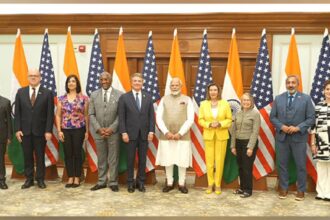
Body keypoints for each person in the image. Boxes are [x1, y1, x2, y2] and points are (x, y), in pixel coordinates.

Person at [270, 75, 315, 201]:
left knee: (300, 165)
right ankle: (283, 188)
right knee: (282, 164)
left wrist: (298, 127)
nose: (291, 85)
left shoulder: (306, 99)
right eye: (288, 82)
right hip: (282, 137)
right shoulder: (278, 99)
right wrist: (282, 126)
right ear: (285, 84)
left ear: (298, 84)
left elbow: (311, 118)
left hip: (299, 137)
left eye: (293, 82)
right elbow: (272, 117)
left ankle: (301, 190)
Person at [15, 68, 54, 189]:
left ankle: (40, 179)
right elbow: (18, 113)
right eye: (31, 75)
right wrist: (17, 129)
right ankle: (29, 179)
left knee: (40, 156)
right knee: (27, 156)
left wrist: (48, 131)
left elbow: (49, 114)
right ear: (27, 77)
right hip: (25, 131)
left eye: (35, 75)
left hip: (41, 132)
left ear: (40, 77)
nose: (33, 77)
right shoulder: (20, 92)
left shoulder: (47, 93)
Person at [156, 77, 194, 194]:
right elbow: (158, 117)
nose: (174, 87)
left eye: (177, 85)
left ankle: (182, 183)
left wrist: (180, 133)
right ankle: (169, 183)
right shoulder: (164, 99)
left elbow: (190, 119)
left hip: (182, 137)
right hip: (166, 136)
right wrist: (166, 132)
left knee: (182, 160)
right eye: (172, 85)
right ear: (169, 87)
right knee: (168, 160)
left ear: (180, 86)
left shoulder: (187, 99)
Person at [118, 72, 155, 193]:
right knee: (130, 159)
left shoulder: (148, 97)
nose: (137, 83)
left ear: (142, 83)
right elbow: (121, 117)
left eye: (139, 81)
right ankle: (130, 182)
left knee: (143, 160)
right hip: (129, 134)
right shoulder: (124, 97)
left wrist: (151, 131)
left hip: (144, 134)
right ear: (131, 82)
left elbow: (151, 117)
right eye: (135, 81)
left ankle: (141, 182)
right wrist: (123, 132)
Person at [89, 72, 122, 192]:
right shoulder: (94, 95)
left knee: (113, 158)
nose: (104, 81)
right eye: (102, 79)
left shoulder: (119, 95)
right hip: (98, 132)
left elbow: (120, 115)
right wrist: (98, 128)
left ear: (111, 80)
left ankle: (113, 182)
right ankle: (101, 181)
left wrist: (111, 128)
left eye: (106, 79)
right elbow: (91, 114)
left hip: (113, 133)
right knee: (101, 158)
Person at [198, 83, 232, 195]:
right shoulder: (203, 104)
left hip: (221, 135)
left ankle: (217, 184)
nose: (213, 92)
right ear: (208, 92)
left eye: (215, 90)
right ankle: (210, 183)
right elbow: (200, 120)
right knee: (209, 162)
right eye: (211, 90)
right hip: (208, 135)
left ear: (218, 91)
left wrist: (220, 124)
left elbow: (229, 119)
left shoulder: (225, 103)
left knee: (219, 161)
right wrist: (208, 124)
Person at [56, 74, 89, 188]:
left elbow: (86, 115)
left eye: (73, 81)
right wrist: (59, 131)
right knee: (68, 153)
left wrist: (87, 131)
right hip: (65, 129)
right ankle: (70, 177)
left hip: (79, 129)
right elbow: (58, 116)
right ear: (67, 84)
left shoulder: (84, 98)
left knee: (77, 153)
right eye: (69, 81)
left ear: (77, 84)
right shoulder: (61, 98)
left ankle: (77, 177)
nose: (71, 83)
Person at [231, 93, 260, 198]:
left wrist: (250, 147)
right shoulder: (238, 113)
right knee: (241, 167)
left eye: (248, 100)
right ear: (241, 102)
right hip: (238, 143)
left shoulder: (255, 114)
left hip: (248, 143)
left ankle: (248, 190)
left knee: (247, 168)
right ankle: (241, 188)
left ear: (251, 102)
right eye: (244, 100)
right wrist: (233, 146)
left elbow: (255, 132)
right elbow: (233, 130)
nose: (246, 102)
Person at [310, 80, 330, 202]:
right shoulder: (318, 106)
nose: (329, 92)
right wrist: (313, 143)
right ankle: (321, 192)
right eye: (327, 89)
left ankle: (329, 193)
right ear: (324, 91)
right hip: (321, 142)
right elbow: (313, 127)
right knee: (321, 167)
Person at [0, 95, 13, 189]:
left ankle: (1, 180)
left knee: (0, 159)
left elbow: (9, 120)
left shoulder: (5, 101)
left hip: (1, 135)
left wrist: (9, 136)